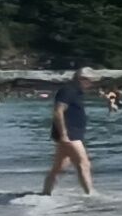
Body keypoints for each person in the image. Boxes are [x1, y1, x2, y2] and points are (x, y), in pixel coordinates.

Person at [41, 69, 97, 198]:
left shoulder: (77, 92)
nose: (91, 85)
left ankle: (45, 193)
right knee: (84, 163)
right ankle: (90, 195)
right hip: (70, 134)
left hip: (72, 134)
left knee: (59, 167)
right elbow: (58, 111)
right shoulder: (68, 91)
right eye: (90, 82)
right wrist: (64, 134)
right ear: (82, 79)